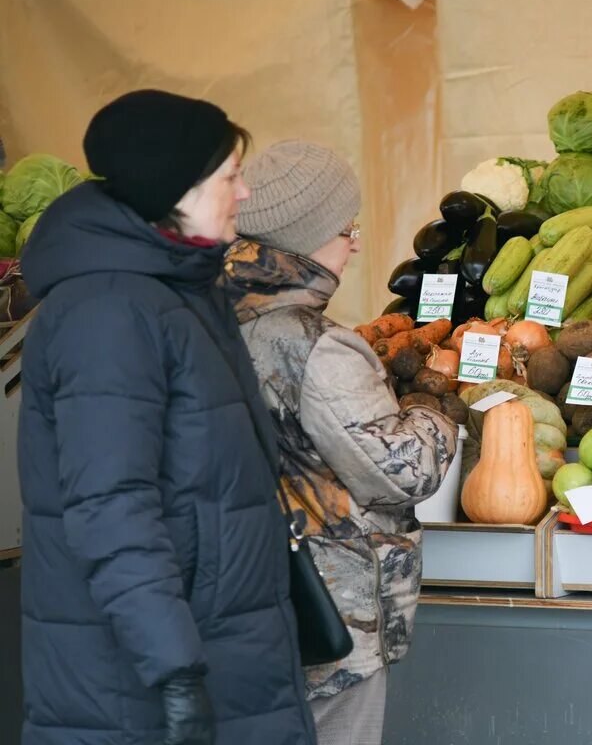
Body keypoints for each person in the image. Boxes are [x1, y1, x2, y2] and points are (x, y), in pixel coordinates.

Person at [17, 90, 317, 745]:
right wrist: (177, 673)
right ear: (173, 190)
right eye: (230, 177)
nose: (243, 194)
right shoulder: (109, 312)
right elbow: (111, 506)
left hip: (218, 650)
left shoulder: (176, 287)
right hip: (142, 683)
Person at [223, 140, 458, 745]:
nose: (355, 242)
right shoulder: (316, 345)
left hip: (243, 600)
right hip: (326, 613)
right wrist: (434, 411)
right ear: (305, 237)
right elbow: (403, 470)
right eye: (346, 227)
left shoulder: (210, 315)